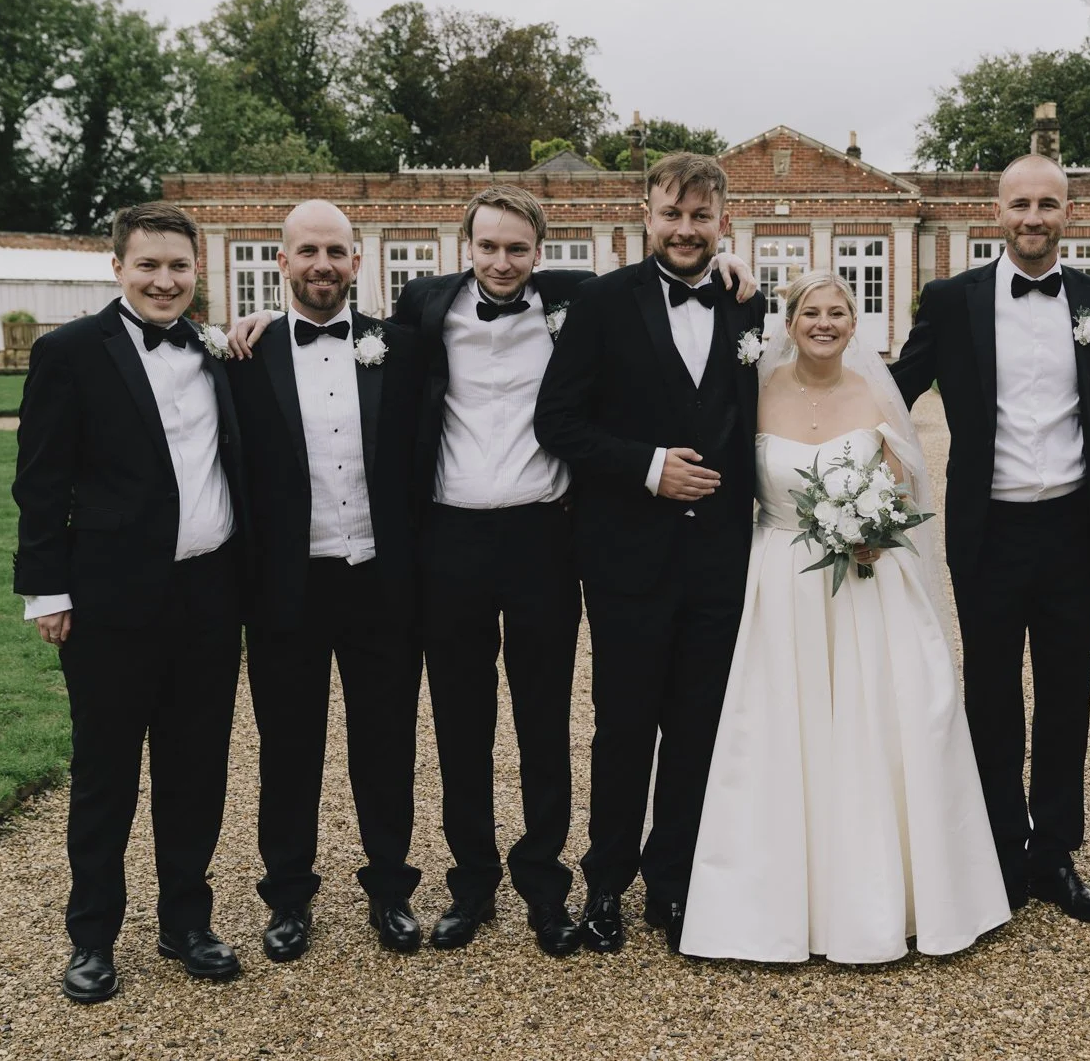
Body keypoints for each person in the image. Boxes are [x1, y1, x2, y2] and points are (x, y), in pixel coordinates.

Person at [228, 185, 756, 958]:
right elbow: (335, 321)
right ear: (464, 248)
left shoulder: (579, 300)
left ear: (540, 252)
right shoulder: (423, 306)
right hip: (449, 543)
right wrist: (267, 322)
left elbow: (670, 271)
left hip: (545, 539)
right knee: (460, 724)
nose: (501, 262)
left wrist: (729, 262)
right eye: (487, 247)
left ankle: (544, 885)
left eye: (517, 248)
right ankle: (471, 883)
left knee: (544, 723)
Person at [680, 271, 1011, 963]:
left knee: (877, 729)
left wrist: (873, 527)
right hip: (780, 584)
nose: (823, 323)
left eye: (836, 312)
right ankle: (773, 908)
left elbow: (905, 487)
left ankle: (892, 898)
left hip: (867, 583)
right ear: (789, 321)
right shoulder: (757, 392)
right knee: (778, 734)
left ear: (853, 325)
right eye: (810, 312)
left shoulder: (875, 394)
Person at [535, 153, 769, 953]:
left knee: (699, 725)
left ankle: (675, 885)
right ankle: (606, 885)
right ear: (645, 214)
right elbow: (557, 423)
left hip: (720, 562)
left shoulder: (749, 305)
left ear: (724, 224)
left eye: (701, 217)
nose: (684, 230)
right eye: (671, 214)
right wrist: (646, 467)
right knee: (624, 726)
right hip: (626, 557)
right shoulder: (600, 303)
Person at [13, 202, 245, 1002]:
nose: (164, 280)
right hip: (110, 602)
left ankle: (187, 923)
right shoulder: (70, 353)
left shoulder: (217, 352)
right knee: (106, 775)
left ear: (197, 273)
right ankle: (92, 940)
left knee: (196, 769)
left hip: (210, 594)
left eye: (178, 266)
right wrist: (47, 589)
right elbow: (40, 481)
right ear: (116, 267)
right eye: (148, 265)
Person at [888, 153, 1090, 923]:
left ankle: (1055, 854)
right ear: (996, 212)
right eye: (1019, 204)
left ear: (1068, 213)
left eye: (1046, 205)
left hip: (1069, 525)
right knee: (990, 692)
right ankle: (996, 849)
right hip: (986, 528)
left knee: (1064, 693)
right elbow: (895, 391)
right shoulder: (951, 300)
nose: (1032, 218)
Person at [226, 199, 426, 962]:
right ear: (281, 262)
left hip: (381, 579)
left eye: (336, 252)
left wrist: (725, 263)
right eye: (307, 251)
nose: (322, 266)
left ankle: (390, 892)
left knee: (386, 743)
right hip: (287, 585)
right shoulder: (244, 355)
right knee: (288, 749)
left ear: (357, 262)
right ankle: (287, 899)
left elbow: (555, 295)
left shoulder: (402, 347)